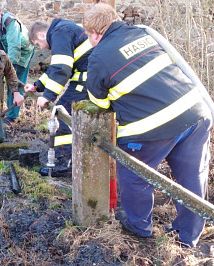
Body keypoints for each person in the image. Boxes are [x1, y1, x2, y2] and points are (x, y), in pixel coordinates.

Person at [83, 2, 212, 248]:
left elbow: (98, 101)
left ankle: (138, 226)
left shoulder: (99, 56)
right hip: (196, 112)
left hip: (152, 127)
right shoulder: (143, 33)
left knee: (134, 175)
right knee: (192, 179)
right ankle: (187, 236)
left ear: (94, 33)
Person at [24, 19, 93, 176]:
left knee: (60, 113)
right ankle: (75, 157)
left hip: (87, 79)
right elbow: (56, 68)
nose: (40, 48)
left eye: (37, 44)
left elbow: (62, 69)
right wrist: (36, 86)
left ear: (42, 35)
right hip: (88, 76)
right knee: (67, 114)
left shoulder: (59, 33)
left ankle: (64, 164)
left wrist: (47, 96)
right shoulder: (63, 30)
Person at [0, 1, 34, 126]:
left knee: (14, 82)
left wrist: (9, 71)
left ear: (0, 13)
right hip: (0, 54)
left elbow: (14, 48)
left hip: (22, 53)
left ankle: (11, 117)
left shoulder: (10, 23)